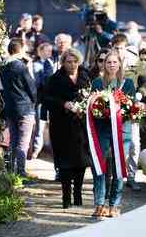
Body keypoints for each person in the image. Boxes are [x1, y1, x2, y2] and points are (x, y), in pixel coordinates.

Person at [43, 48, 91, 208]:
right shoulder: (55, 78)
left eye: (75, 61)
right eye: (69, 62)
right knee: (65, 163)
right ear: (63, 62)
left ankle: (77, 194)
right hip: (62, 126)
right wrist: (64, 104)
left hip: (81, 126)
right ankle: (66, 197)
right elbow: (47, 99)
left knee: (81, 161)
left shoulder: (86, 75)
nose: (72, 65)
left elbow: (92, 95)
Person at [91, 50, 135, 217]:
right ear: (104, 64)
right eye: (108, 62)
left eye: (114, 62)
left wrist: (119, 109)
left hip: (122, 130)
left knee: (118, 167)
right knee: (99, 165)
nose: (111, 65)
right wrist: (101, 109)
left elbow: (131, 107)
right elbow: (92, 105)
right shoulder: (96, 82)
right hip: (102, 129)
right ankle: (99, 204)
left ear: (119, 64)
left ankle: (114, 205)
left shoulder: (128, 83)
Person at [0, 38, 37, 177]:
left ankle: (11, 172)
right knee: (23, 141)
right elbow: (31, 87)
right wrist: (34, 102)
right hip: (24, 108)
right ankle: (21, 171)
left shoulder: (3, 67)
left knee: (13, 140)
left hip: (10, 108)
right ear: (20, 49)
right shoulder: (21, 66)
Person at [112, 33, 141, 191]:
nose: (119, 51)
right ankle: (117, 176)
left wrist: (141, 93)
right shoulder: (109, 62)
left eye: (121, 48)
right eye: (116, 48)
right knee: (118, 144)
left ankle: (132, 176)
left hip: (132, 107)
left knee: (134, 144)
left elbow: (145, 79)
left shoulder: (135, 61)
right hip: (114, 108)